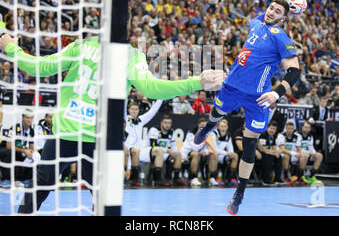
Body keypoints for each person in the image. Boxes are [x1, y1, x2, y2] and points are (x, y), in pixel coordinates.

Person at [0, 33, 224, 213]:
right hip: (97, 137)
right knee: (103, 199)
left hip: (66, 131)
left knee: (39, 188)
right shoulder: (130, 55)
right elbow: (151, 88)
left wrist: (10, 46)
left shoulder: (81, 45)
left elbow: (37, 67)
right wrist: (196, 82)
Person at [193, 0, 301, 215]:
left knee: (250, 144)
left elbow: (295, 71)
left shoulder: (281, 36)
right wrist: (287, 3)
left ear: (284, 18)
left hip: (258, 97)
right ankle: (208, 127)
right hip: (232, 85)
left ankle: (239, 193)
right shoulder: (256, 23)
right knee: (217, 112)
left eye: (278, 11)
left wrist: (276, 93)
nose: (272, 12)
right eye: (271, 7)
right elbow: (267, 14)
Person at [124, 100, 163, 186]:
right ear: (128, 110)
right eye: (132, 109)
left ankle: (156, 180)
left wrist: (161, 98)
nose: (134, 111)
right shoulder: (125, 119)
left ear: (138, 110)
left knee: (159, 150)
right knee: (136, 150)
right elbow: (123, 105)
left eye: (136, 109)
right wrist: (125, 94)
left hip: (140, 150)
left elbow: (152, 111)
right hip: (128, 151)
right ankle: (134, 179)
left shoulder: (141, 120)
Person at [180, 118, 209, 186]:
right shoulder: (191, 132)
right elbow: (194, 147)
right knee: (195, 154)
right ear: (198, 125)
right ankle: (193, 177)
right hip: (185, 153)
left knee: (211, 154)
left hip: (198, 153)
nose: (203, 127)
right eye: (202, 125)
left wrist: (205, 151)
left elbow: (211, 147)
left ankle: (211, 178)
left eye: (205, 125)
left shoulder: (208, 133)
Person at [210, 119, 239, 186]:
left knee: (235, 155)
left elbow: (230, 147)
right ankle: (213, 178)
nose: (223, 128)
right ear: (218, 127)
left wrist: (231, 153)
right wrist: (226, 153)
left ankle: (231, 178)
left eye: (225, 126)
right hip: (213, 154)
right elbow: (214, 148)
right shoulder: (214, 133)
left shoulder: (228, 135)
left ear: (227, 127)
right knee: (215, 154)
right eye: (222, 126)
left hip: (222, 155)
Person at [257, 121, 283, 186]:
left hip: (269, 152)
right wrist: (273, 152)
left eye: (274, 129)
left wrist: (276, 153)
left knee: (279, 157)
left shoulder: (273, 136)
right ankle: (265, 180)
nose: (272, 130)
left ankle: (277, 179)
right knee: (268, 157)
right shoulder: (263, 135)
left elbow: (273, 147)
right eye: (271, 128)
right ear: (267, 128)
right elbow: (262, 149)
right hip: (260, 153)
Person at [299, 121, 323, 185]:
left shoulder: (310, 136)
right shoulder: (297, 135)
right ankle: (301, 177)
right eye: (306, 127)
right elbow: (298, 148)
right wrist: (309, 152)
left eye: (308, 128)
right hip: (298, 154)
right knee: (305, 156)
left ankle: (312, 176)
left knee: (319, 155)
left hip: (308, 153)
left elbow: (311, 147)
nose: (307, 129)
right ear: (302, 127)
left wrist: (314, 153)